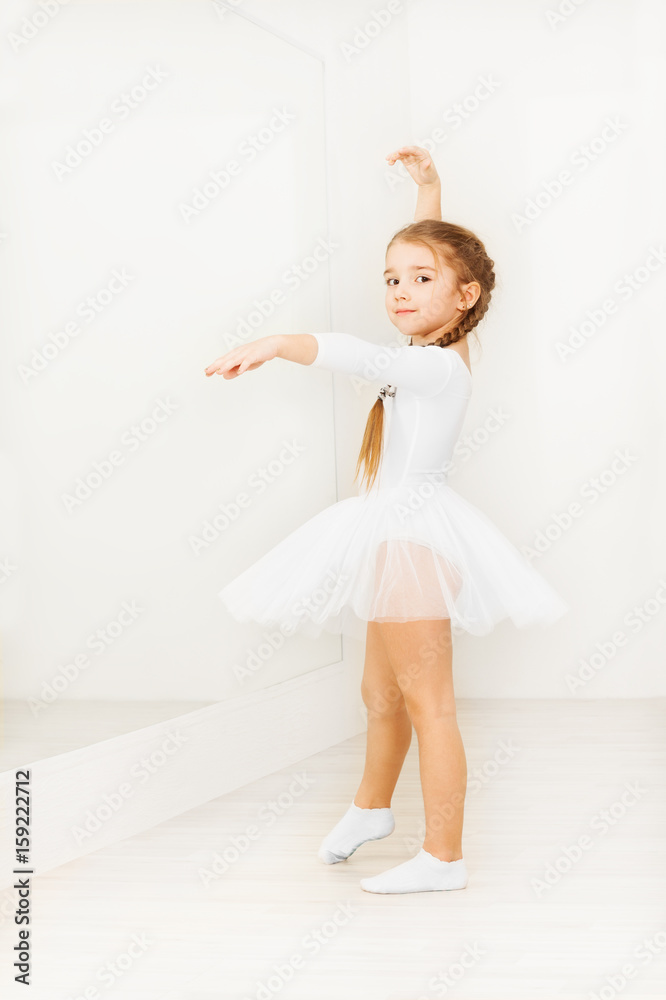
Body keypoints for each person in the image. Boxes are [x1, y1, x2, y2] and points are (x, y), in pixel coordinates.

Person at [204, 146, 569, 894]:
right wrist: (428, 192)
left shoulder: (433, 365)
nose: (401, 291)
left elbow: (355, 353)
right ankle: (372, 809)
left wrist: (280, 343)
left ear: (465, 296)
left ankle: (444, 855)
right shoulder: (440, 343)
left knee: (429, 704)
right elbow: (433, 273)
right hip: (394, 534)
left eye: (420, 280)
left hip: (414, 539)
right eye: (391, 279)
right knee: (379, 696)